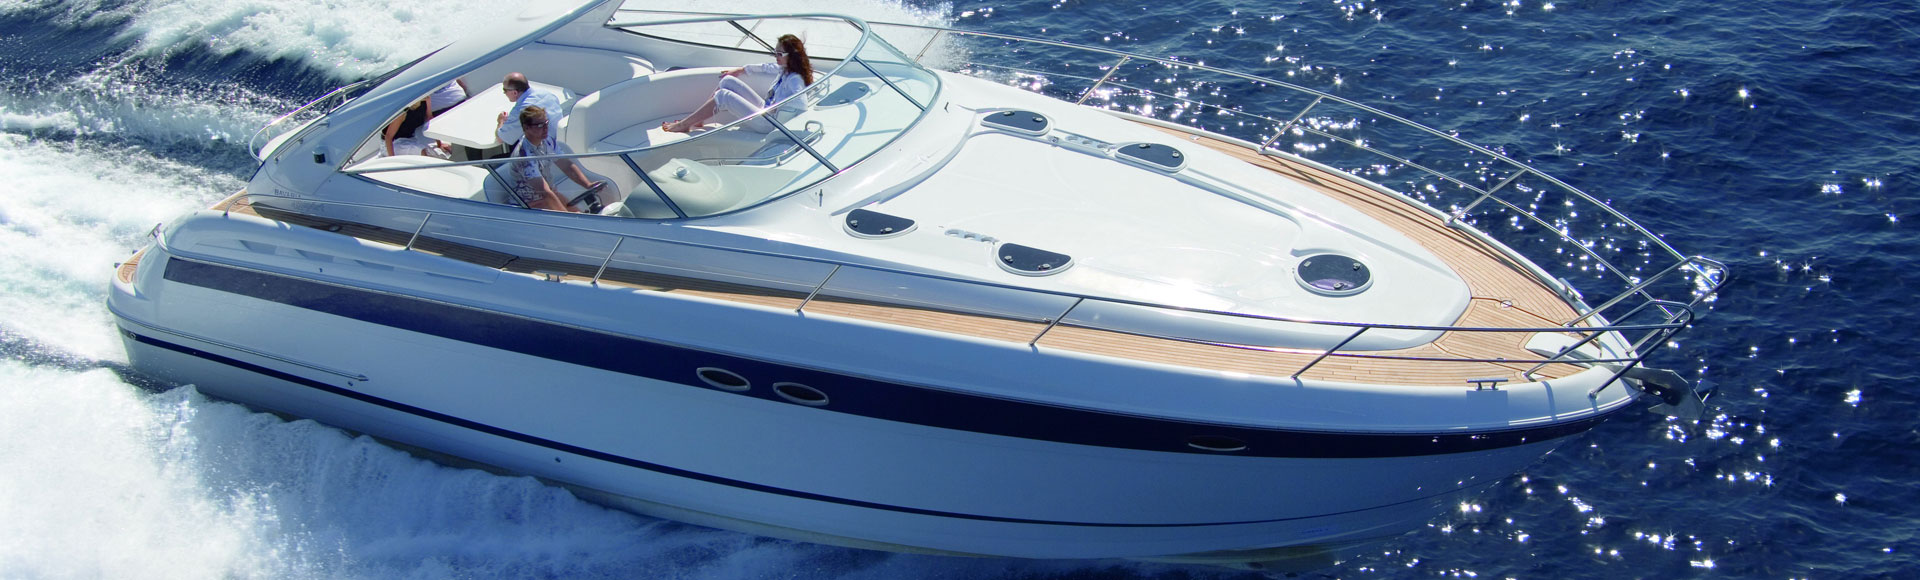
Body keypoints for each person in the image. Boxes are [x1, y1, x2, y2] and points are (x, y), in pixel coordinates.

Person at [662, 34, 813, 133]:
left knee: (723, 96)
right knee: (727, 80)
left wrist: (778, 106)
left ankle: (684, 125)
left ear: (792, 55)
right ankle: (699, 120)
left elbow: (801, 104)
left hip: (770, 123)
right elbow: (767, 67)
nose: (775, 56)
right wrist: (742, 69)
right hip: (766, 110)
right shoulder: (785, 69)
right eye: (775, 52)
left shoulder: (795, 79)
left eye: (779, 54)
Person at [507, 106, 603, 213]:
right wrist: (567, 216)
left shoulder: (548, 141)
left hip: (549, 194)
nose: (545, 128)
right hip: (527, 205)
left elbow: (567, 166)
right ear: (526, 128)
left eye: (546, 123)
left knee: (579, 215)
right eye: (540, 125)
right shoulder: (524, 156)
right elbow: (544, 192)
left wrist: (588, 185)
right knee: (574, 217)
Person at [495, 72, 564, 147]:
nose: (504, 93)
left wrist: (500, 121)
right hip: (561, 142)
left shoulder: (521, 111)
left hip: (545, 150)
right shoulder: (548, 94)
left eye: (505, 90)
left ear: (515, 93)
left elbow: (501, 139)